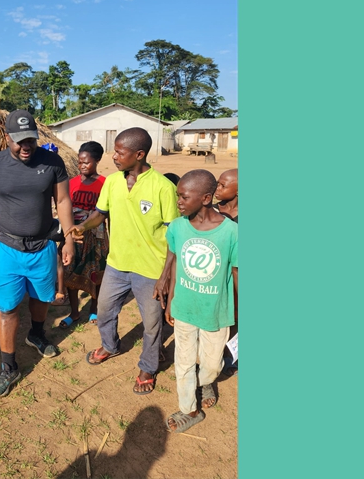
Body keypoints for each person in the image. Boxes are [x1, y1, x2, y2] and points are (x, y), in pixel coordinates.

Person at [69, 127, 179, 395]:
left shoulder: (163, 187)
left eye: (120, 152)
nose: (114, 156)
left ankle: (148, 367)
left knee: (152, 323)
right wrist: (83, 227)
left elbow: (175, 236)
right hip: (116, 264)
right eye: (114, 151)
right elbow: (99, 213)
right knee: (105, 310)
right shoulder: (113, 182)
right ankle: (110, 345)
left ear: (139, 154)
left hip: (151, 269)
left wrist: (165, 276)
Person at [0, 110, 76, 398]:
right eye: (19, 141)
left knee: (42, 298)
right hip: (6, 248)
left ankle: (37, 334)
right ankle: (9, 367)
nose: (25, 146)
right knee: (7, 308)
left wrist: (68, 239)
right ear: (7, 138)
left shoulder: (52, 162)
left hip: (43, 245)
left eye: (30, 139)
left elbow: (64, 200)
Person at [155, 170, 238, 433]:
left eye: (183, 196)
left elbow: (237, 274)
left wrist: (239, 310)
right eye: (178, 195)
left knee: (213, 365)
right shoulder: (178, 227)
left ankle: (205, 382)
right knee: (184, 361)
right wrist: (170, 302)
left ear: (205, 198)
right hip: (185, 307)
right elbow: (176, 259)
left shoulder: (232, 232)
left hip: (216, 311)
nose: (178, 201)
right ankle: (189, 408)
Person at [57, 141, 108, 328]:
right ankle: (74, 312)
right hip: (74, 235)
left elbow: (107, 213)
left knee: (96, 274)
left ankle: (94, 308)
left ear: (97, 160)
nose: (82, 166)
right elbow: (65, 209)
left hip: (96, 236)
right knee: (70, 271)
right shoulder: (71, 183)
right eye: (80, 162)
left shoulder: (105, 184)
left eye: (86, 162)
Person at [213, 168, 238, 371]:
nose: (217, 189)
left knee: (237, 314)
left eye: (222, 185)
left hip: (237, 274)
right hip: (216, 275)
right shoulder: (211, 212)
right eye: (217, 183)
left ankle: (232, 354)